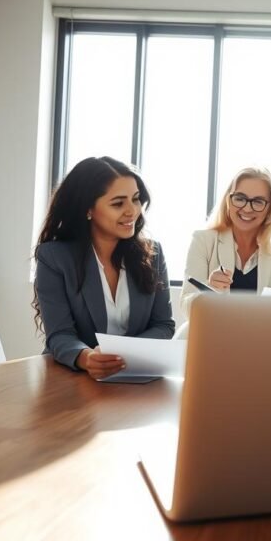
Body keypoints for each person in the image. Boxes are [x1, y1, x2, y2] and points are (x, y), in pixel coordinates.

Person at [33, 156, 174, 380]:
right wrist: (86, 357)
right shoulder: (54, 257)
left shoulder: (152, 254)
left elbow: (163, 325)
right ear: (88, 209)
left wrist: (125, 355)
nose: (132, 211)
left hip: (136, 377)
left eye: (135, 199)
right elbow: (60, 334)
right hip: (72, 378)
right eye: (118, 203)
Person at [179, 167, 271, 319]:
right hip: (211, 337)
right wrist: (210, 289)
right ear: (228, 201)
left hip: (259, 340)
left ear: (270, 208)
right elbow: (187, 309)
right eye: (240, 198)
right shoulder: (203, 241)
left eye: (258, 201)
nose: (246, 208)